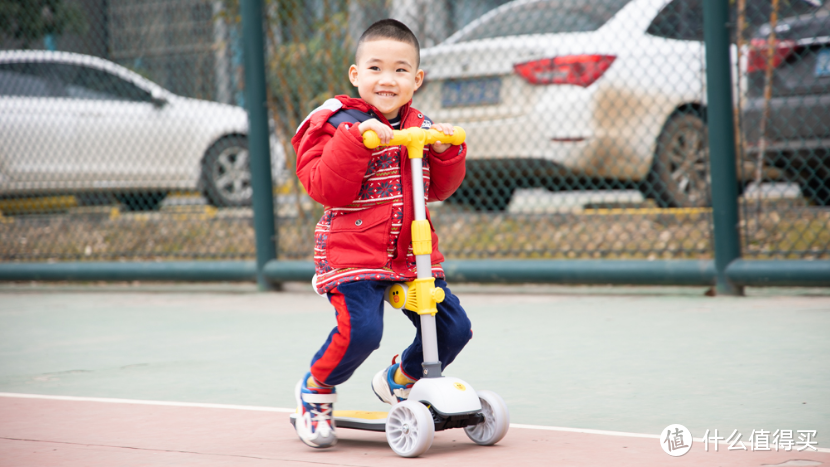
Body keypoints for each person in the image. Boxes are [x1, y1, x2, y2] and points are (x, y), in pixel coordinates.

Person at [290, 18, 472, 449]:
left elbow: (441, 190)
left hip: (412, 254)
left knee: (454, 329)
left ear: (417, 78)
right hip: (353, 252)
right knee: (362, 331)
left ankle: (400, 378)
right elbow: (324, 187)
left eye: (400, 70)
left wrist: (447, 152)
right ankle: (315, 389)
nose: (387, 79)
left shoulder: (422, 125)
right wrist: (356, 142)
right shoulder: (336, 122)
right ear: (356, 75)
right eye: (375, 69)